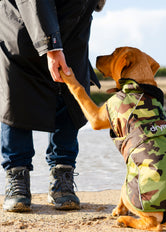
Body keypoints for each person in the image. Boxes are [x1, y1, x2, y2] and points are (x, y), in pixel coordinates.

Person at [0, 0, 106, 212]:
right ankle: (17, 178)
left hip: (72, 28)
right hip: (20, 23)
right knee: (15, 100)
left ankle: (62, 175)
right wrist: (52, 46)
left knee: (69, 96)